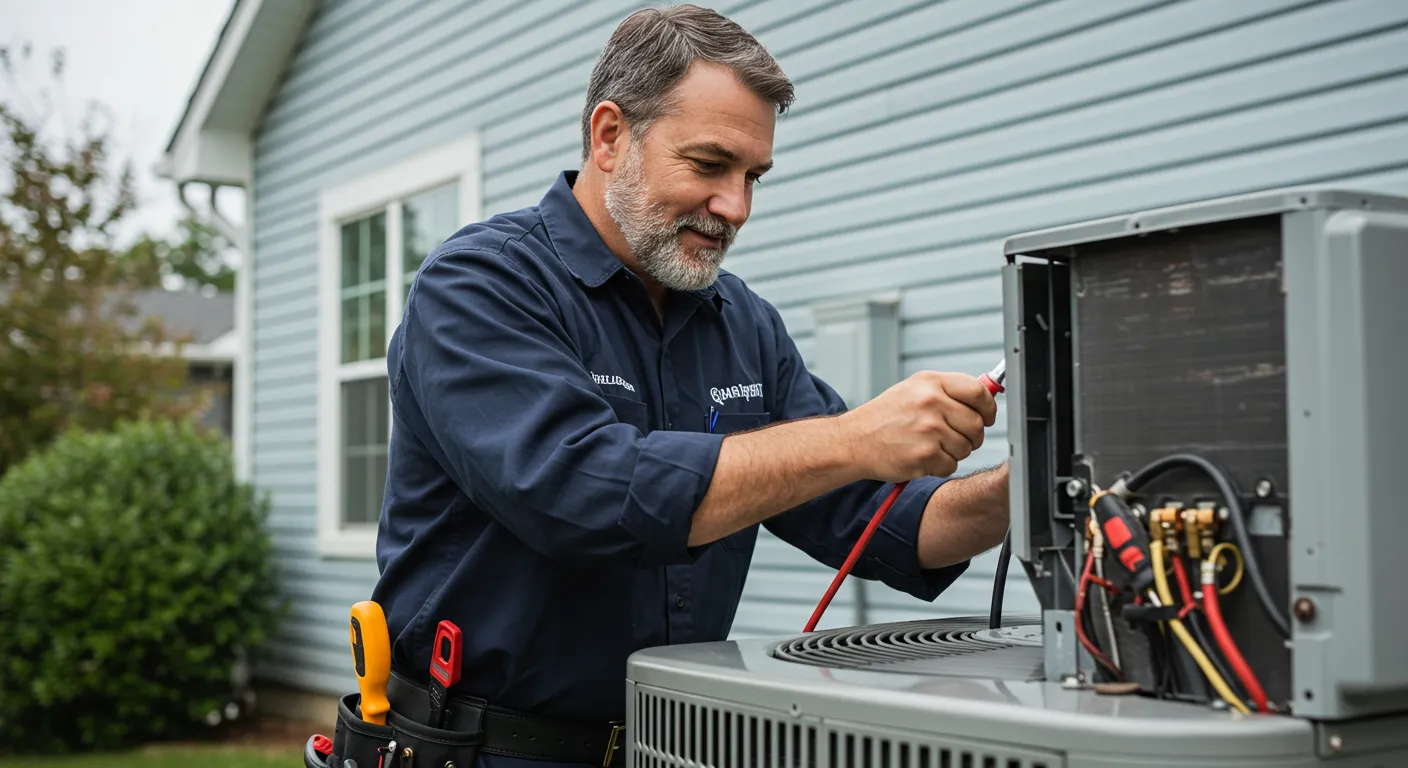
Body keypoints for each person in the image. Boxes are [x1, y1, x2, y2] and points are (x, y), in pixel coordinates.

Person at [369, 4, 1009, 766]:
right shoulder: (481, 283)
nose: (734, 207)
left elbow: (880, 521)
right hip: (477, 749)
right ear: (611, 136)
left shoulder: (744, 323)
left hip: (674, 748)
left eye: (753, 177)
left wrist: (1039, 485)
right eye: (709, 166)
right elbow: (582, 494)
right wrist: (852, 438)